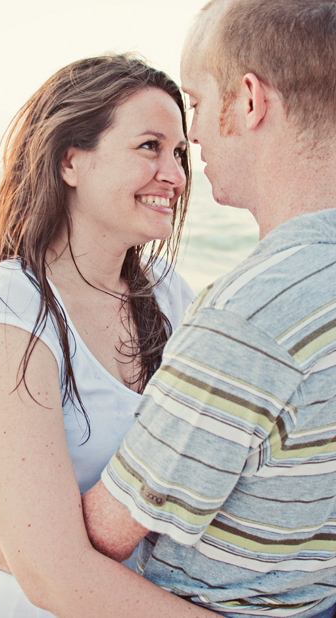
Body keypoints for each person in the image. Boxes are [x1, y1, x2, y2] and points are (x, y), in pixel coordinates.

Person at [0, 54, 222, 618]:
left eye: (180, 153)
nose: (176, 175)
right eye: (149, 147)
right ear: (69, 161)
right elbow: (51, 576)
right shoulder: (9, 310)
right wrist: (20, 544)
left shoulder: (166, 291)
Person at [78, 1, 336, 617]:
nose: (190, 139)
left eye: (195, 102)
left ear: (249, 100)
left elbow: (101, 536)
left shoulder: (252, 313)